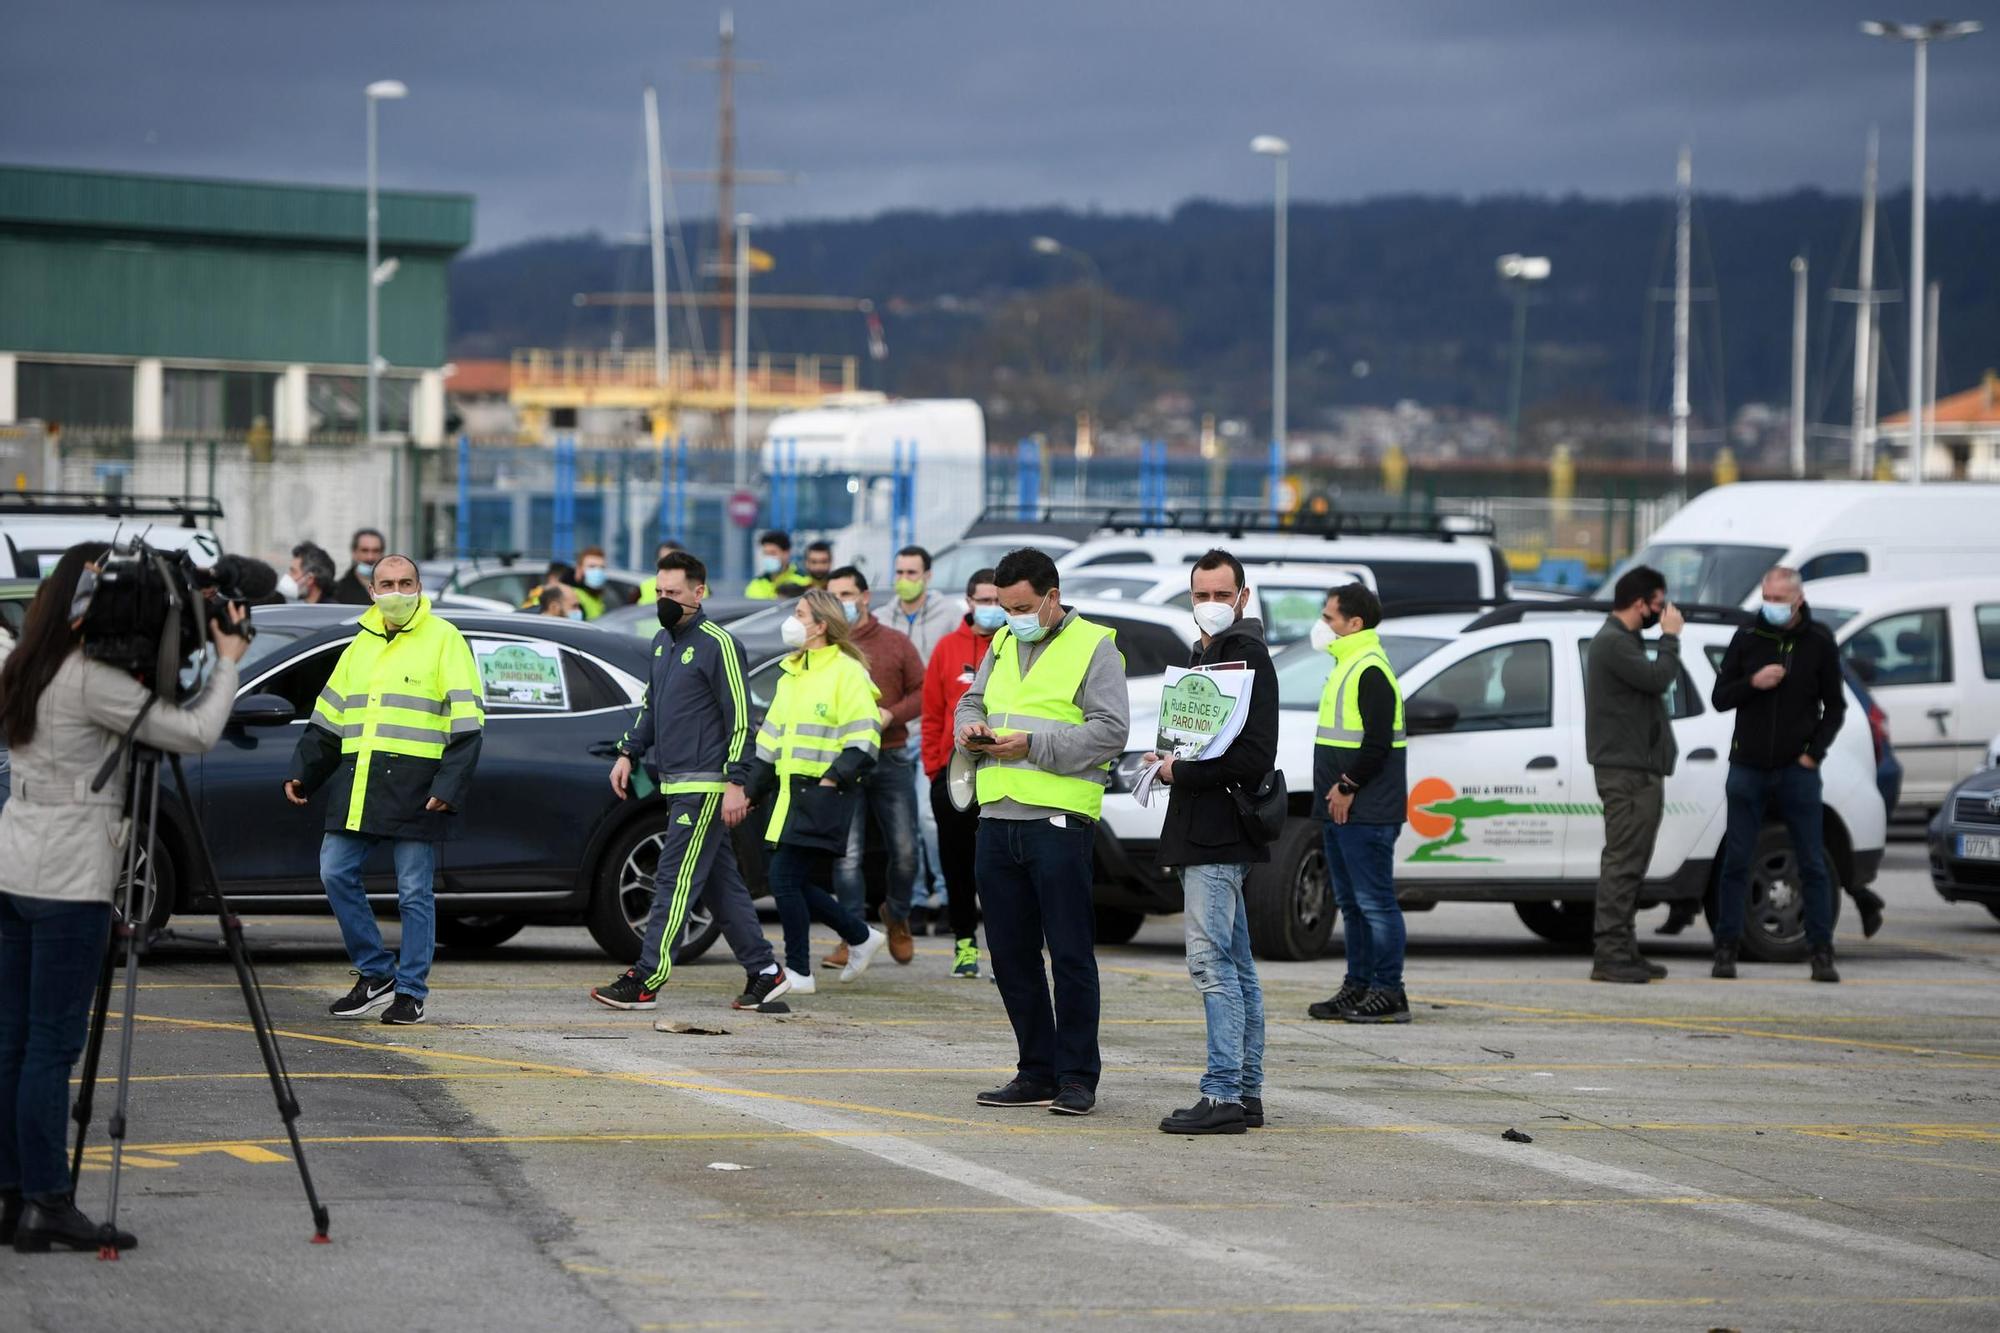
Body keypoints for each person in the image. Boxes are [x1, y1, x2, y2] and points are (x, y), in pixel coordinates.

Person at [0, 542, 249, 1252]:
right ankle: (49, 1198)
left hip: (13, 862)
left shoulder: (24, 662)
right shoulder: (89, 681)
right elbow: (197, 731)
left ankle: (13, 1193)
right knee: (51, 1045)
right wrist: (227, 656)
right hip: (69, 875)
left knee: (13, 1039)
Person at [954, 548, 1128, 1117]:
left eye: (1023, 606)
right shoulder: (1003, 641)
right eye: (1005, 608)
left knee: (1071, 956)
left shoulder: (1096, 646)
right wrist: (968, 727)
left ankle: (1077, 1076)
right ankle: (1036, 1070)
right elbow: (973, 698)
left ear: (1052, 597)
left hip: (1058, 821)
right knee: (1009, 955)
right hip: (997, 817)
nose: (1013, 617)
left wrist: (1035, 746)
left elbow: (1110, 732)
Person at [285, 555, 485, 1025]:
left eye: (406, 583)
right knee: (334, 870)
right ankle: (376, 971)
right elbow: (328, 719)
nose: (397, 592)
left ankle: (410, 990)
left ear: (419, 586)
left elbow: (468, 723)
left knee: (414, 892)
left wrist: (449, 784)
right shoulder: (360, 645)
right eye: (387, 584)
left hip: (418, 784)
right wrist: (303, 772)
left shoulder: (445, 639)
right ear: (372, 592)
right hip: (361, 779)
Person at [592, 550, 790, 1012]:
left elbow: (741, 719)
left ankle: (647, 977)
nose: (664, 600)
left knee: (673, 879)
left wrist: (736, 782)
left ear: (699, 593)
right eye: (659, 592)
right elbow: (651, 707)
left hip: (706, 786)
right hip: (675, 783)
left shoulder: (719, 644)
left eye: (673, 593)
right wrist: (628, 752)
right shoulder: (663, 644)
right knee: (720, 884)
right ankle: (765, 971)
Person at [1148, 550, 1278, 1135]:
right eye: (1202, 594)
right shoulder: (1207, 655)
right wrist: (1167, 759)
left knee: (1210, 966)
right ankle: (1244, 1092)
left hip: (1218, 834)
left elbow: (1252, 758)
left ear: (1243, 597)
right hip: (1206, 830)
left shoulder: (1245, 656)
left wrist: (1182, 771)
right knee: (1237, 966)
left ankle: (1223, 1092)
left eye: (1222, 595)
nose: (1211, 605)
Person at [743, 590, 889, 993]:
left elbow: (865, 738)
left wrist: (832, 779)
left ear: (821, 625)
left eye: (800, 613)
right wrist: (752, 789)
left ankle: (800, 971)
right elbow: (769, 741)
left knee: (784, 879)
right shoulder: (794, 671)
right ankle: (859, 935)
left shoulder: (847, 671)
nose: (792, 620)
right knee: (788, 880)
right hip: (788, 797)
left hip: (823, 794)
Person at [1710, 566, 1847, 983]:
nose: (1770, 606)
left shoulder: (1818, 641)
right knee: (1736, 861)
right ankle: (1726, 949)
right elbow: (1721, 697)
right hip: (1748, 767)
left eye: (1778, 599)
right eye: (1766, 598)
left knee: (1811, 862)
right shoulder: (1748, 637)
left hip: (1796, 771)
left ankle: (1821, 951)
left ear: (1798, 600)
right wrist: (1754, 681)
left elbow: (1835, 707)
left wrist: (1812, 754)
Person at [1305, 583, 1413, 1025]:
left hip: (1366, 810)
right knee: (1351, 905)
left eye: (1329, 617)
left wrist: (1347, 785)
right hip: (1343, 808)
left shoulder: (1369, 669)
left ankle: (1389, 991)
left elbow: (1377, 743)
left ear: (1354, 624)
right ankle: (1360, 985)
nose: (1322, 625)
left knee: (1375, 904)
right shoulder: (1347, 663)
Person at [1582, 565, 1684, 985]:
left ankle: (1625, 949)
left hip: (1639, 770)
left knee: (1633, 862)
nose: (1663, 613)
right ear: (1639, 603)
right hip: (1626, 773)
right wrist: (1671, 637)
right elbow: (1659, 677)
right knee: (1623, 861)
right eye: (1658, 605)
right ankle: (1610, 953)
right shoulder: (1612, 643)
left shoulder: (1623, 641)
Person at [822, 567, 925, 967]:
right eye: (833, 596)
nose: (841, 603)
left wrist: (891, 714)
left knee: (904, 851)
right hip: (844, 761)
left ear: (865, 597)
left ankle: (896, 915)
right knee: (846, 856)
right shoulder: (826, 647)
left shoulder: (894, 643)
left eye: (846, 594)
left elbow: (922, 690)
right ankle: (852, 936)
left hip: (891, 755)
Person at [921, 568, 1004, 978]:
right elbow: (933, 712)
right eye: (983, 601)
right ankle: (964, 943)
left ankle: (1004, 948)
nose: (991, 609)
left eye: (997, 600)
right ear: (969, 602)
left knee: (997, 867)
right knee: (957, 864)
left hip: (1001, 773)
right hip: (953, 777)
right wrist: (934, 767)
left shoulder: (1012, 646)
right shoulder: (948, 648)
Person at [744, 531, 812, 600]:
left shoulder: (805, 581)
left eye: (773, 553)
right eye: (765, 553)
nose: (768, 558)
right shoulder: (756, 584)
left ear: (786, 553)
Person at [330, 527, 386, 605]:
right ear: (354, 553)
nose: (370, 557)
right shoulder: (337, 591)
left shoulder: (394, 588)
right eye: (364, 550)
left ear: (382, 554)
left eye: (376, 551)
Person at [570, 546, 611, 620]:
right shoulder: (572, 596)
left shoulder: (597, 598)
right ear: (579, 570)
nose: (598, 571)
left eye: (602, 567)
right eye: (592, 567)